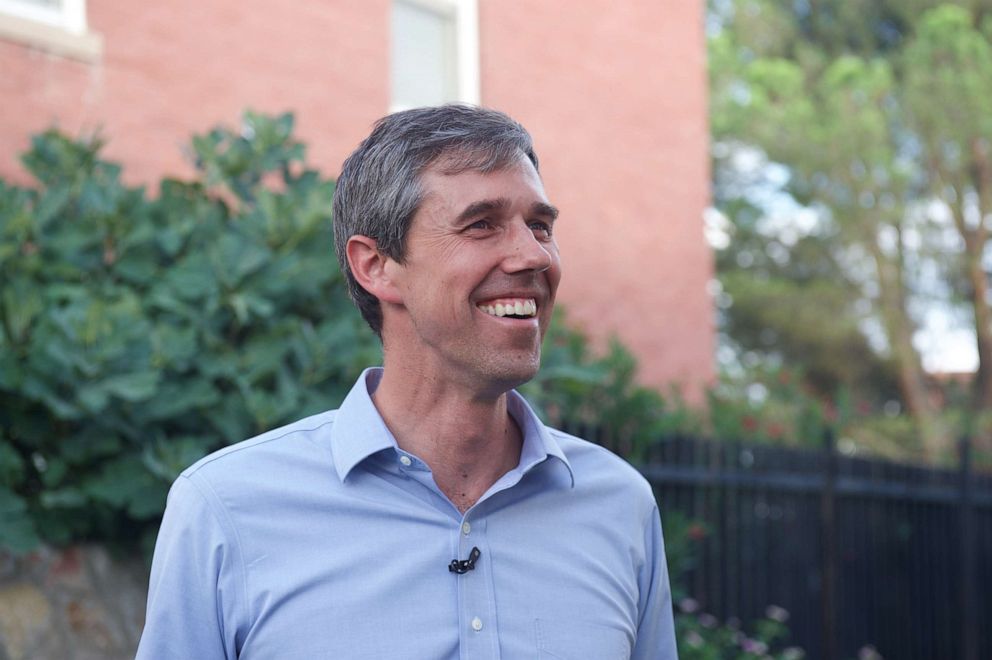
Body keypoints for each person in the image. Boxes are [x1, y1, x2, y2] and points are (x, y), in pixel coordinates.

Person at [136, 105, 677, 659]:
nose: (534, 254)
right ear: (376, 266)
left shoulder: (619, 505)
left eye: (540, 226)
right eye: (482, 224)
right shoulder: (227, 508)